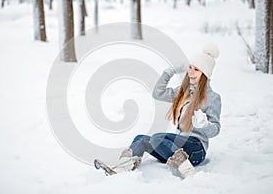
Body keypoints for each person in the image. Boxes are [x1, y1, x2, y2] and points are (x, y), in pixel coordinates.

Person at [94, 43, 222, 178]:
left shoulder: (213, 98)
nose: (191, 72)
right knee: (141, 139)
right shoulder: (183, 91)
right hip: (177, 146)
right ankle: (122, 167)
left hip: (196, 149)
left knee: (157, 139)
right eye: (190, 67)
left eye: (196, 69)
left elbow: (215, 129)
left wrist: (204, 125)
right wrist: (169, 72)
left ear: (205, 73)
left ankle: (187, 171)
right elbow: (158, 93)